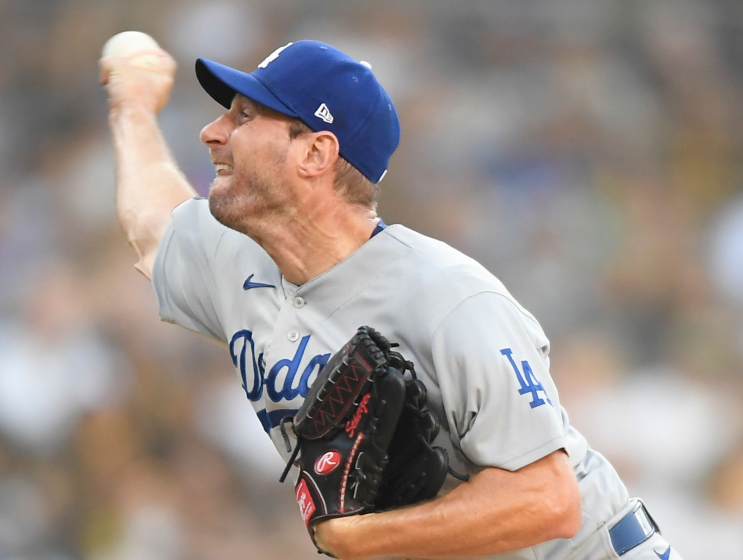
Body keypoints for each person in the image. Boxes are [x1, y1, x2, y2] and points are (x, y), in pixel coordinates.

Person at [100, 39, 682, 560]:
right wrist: (131, 107)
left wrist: (355, 540)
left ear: (314, 155)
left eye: (246, 116)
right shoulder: (238, 257)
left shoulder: (449, 297)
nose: (213, 131)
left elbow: (548, 500)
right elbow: (153, 222)